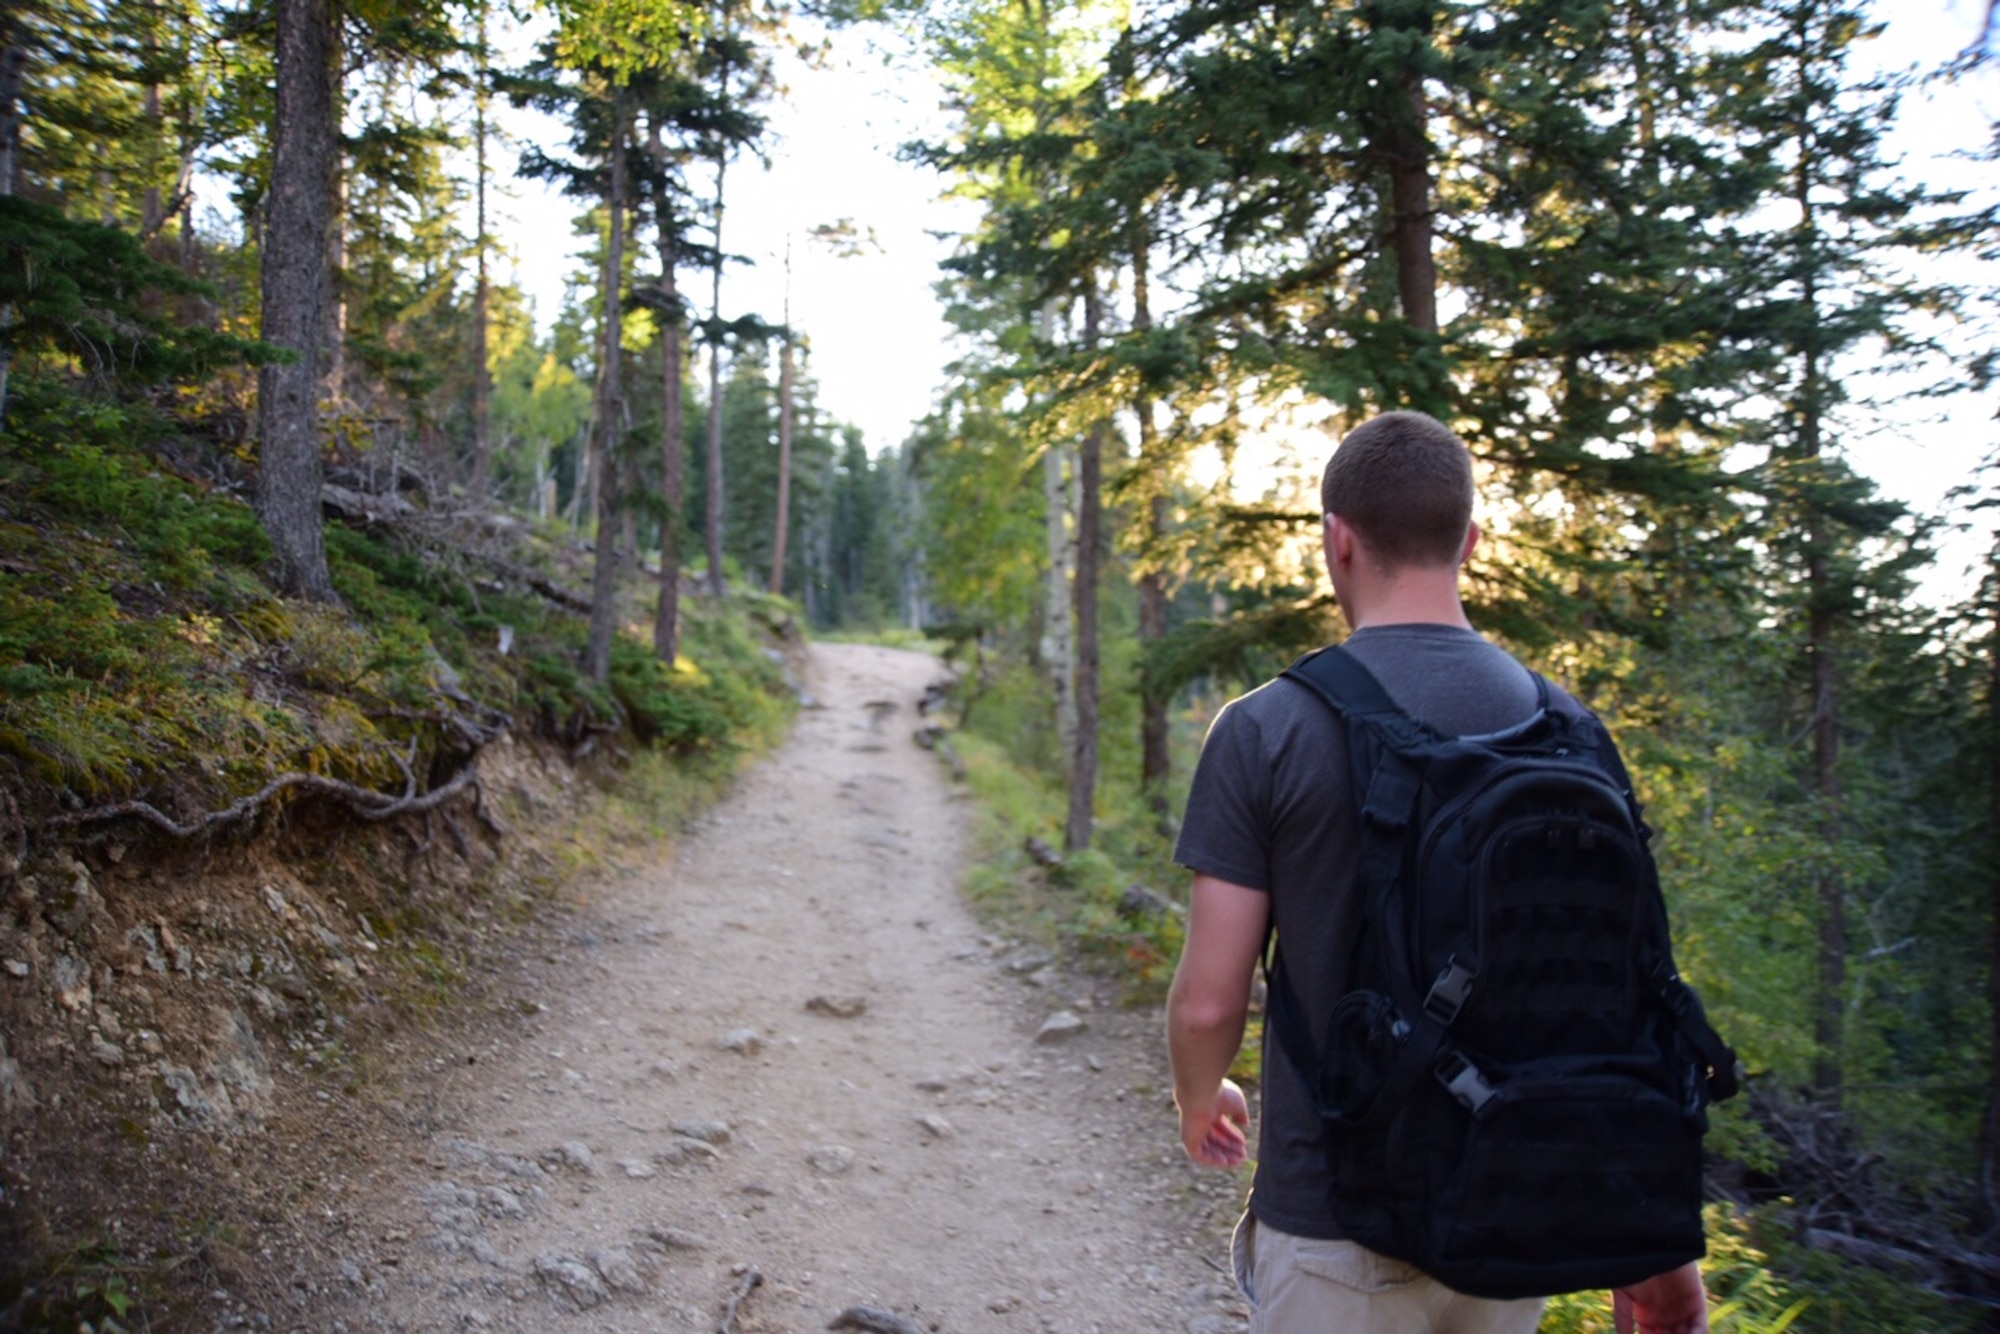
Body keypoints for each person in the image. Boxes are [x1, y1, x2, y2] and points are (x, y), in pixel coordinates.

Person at [1165, 410, 1711, 1334]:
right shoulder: (1572, 732)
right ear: (1470, 540)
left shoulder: (1265, 728)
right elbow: (1626, 995)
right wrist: (1658, 1243)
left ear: (1336, 540)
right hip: (1511, 1219)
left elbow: (1210, 1003)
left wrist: (1198, 1098)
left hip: (1337, 1224)